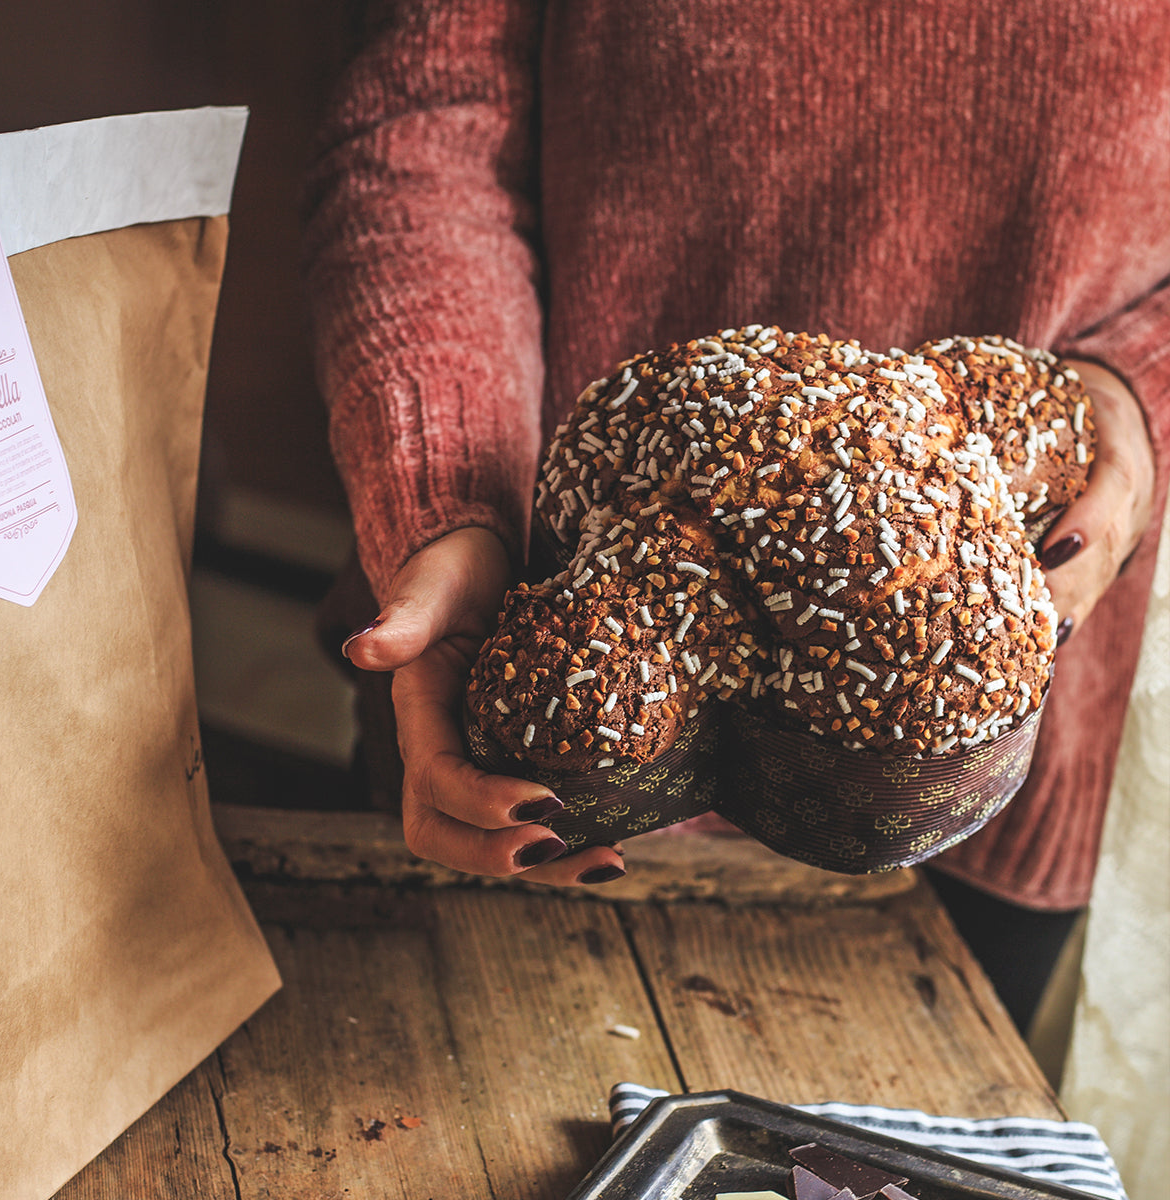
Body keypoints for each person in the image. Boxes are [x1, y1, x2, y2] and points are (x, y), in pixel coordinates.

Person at [303, 2, 1168, 1020]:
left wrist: (1139, 393)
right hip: (539, 627)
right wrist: (454, 494)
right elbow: (426, 124)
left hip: (1004, 706)